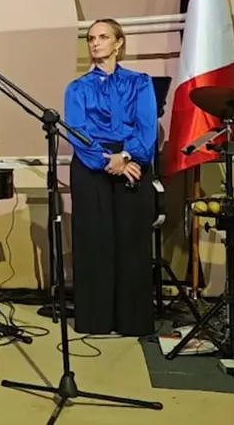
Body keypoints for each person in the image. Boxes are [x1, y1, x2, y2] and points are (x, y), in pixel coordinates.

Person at [64, 18, 157, 336]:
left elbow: (147, 129)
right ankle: (95, 320)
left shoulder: (140, 82)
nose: (95, 43)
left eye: (103, 37)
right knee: (94, 244)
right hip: (93, 168)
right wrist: (109, 161)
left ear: (118, 43)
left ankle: (133, 321)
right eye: (91, 38)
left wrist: (127, 156)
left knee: (132, 244)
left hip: (132, 161)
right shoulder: (76, 88)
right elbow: (78, 132)